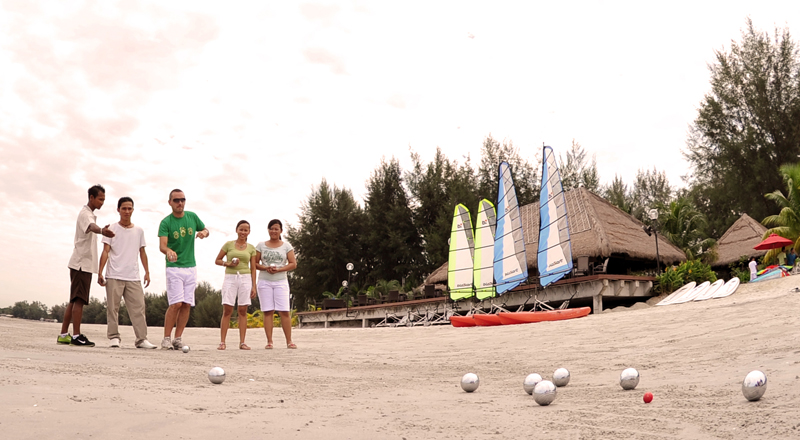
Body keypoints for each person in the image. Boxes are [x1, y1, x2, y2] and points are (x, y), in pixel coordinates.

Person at [97, 197, 157, 349]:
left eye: (130, 208)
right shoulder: (111, 228)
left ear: (133, 210)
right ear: (118, 210)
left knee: (139, 308)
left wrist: (147, 272)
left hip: (133, 276)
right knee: (112, 308)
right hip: (114, 274)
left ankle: (141, 339)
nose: (127, 211)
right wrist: (100, 272)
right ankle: (113, 337)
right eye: (124, 208)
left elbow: (142, 252)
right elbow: (105, 251)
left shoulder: (139, 231)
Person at [59, 184, 115, 347]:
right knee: (79, 300)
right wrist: (102, 231)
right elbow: (91, 227)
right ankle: (76, 336)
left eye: (104, 200)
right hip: (81, 264)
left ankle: (64, 334)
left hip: (80, 263)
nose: (102, 202)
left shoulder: (88, 214)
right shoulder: (86, 214)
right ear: (91, 197)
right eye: (100, 199)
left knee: (74, 299)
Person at [158, 189, 209, 350]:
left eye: (183, 200)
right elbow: (162, 246)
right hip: (174, 267)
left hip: (190, 267)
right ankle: (166, 338)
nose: (180, 203)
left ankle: (178, 338)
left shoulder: (192, 217)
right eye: (176, 200)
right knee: (176, 303)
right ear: (170, 202)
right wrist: (169, 251)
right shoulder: (166, 222)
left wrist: (203, 232)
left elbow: (206, 230)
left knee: (187, 304)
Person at [214, 220, 257, 350]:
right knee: (227, 309)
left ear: (249, 232)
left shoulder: (251, 248)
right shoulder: (228, 245)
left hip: (245, 278)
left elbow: (253, 268)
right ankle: (222, 342)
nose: (243, 232)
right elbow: (217, 260)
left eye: (245, 230)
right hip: (230, 277)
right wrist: (228, 264)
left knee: (243, 310)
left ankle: (242, 342)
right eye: (241, 229)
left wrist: (254, 286)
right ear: (237, 230)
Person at [255, 219, 297, 349]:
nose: (274, 231)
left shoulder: (286, 246)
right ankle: (269, 341)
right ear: (268, 230)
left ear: (281, 231)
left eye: (276, 229)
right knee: (268, 311)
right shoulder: (261, 245)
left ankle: (289, 341)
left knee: (284, 311)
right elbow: (255, 263)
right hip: (264, 281)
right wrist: (265, 268)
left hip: (281, 281)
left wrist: (279, 269)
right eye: (271, 228)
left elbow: (293, 264)